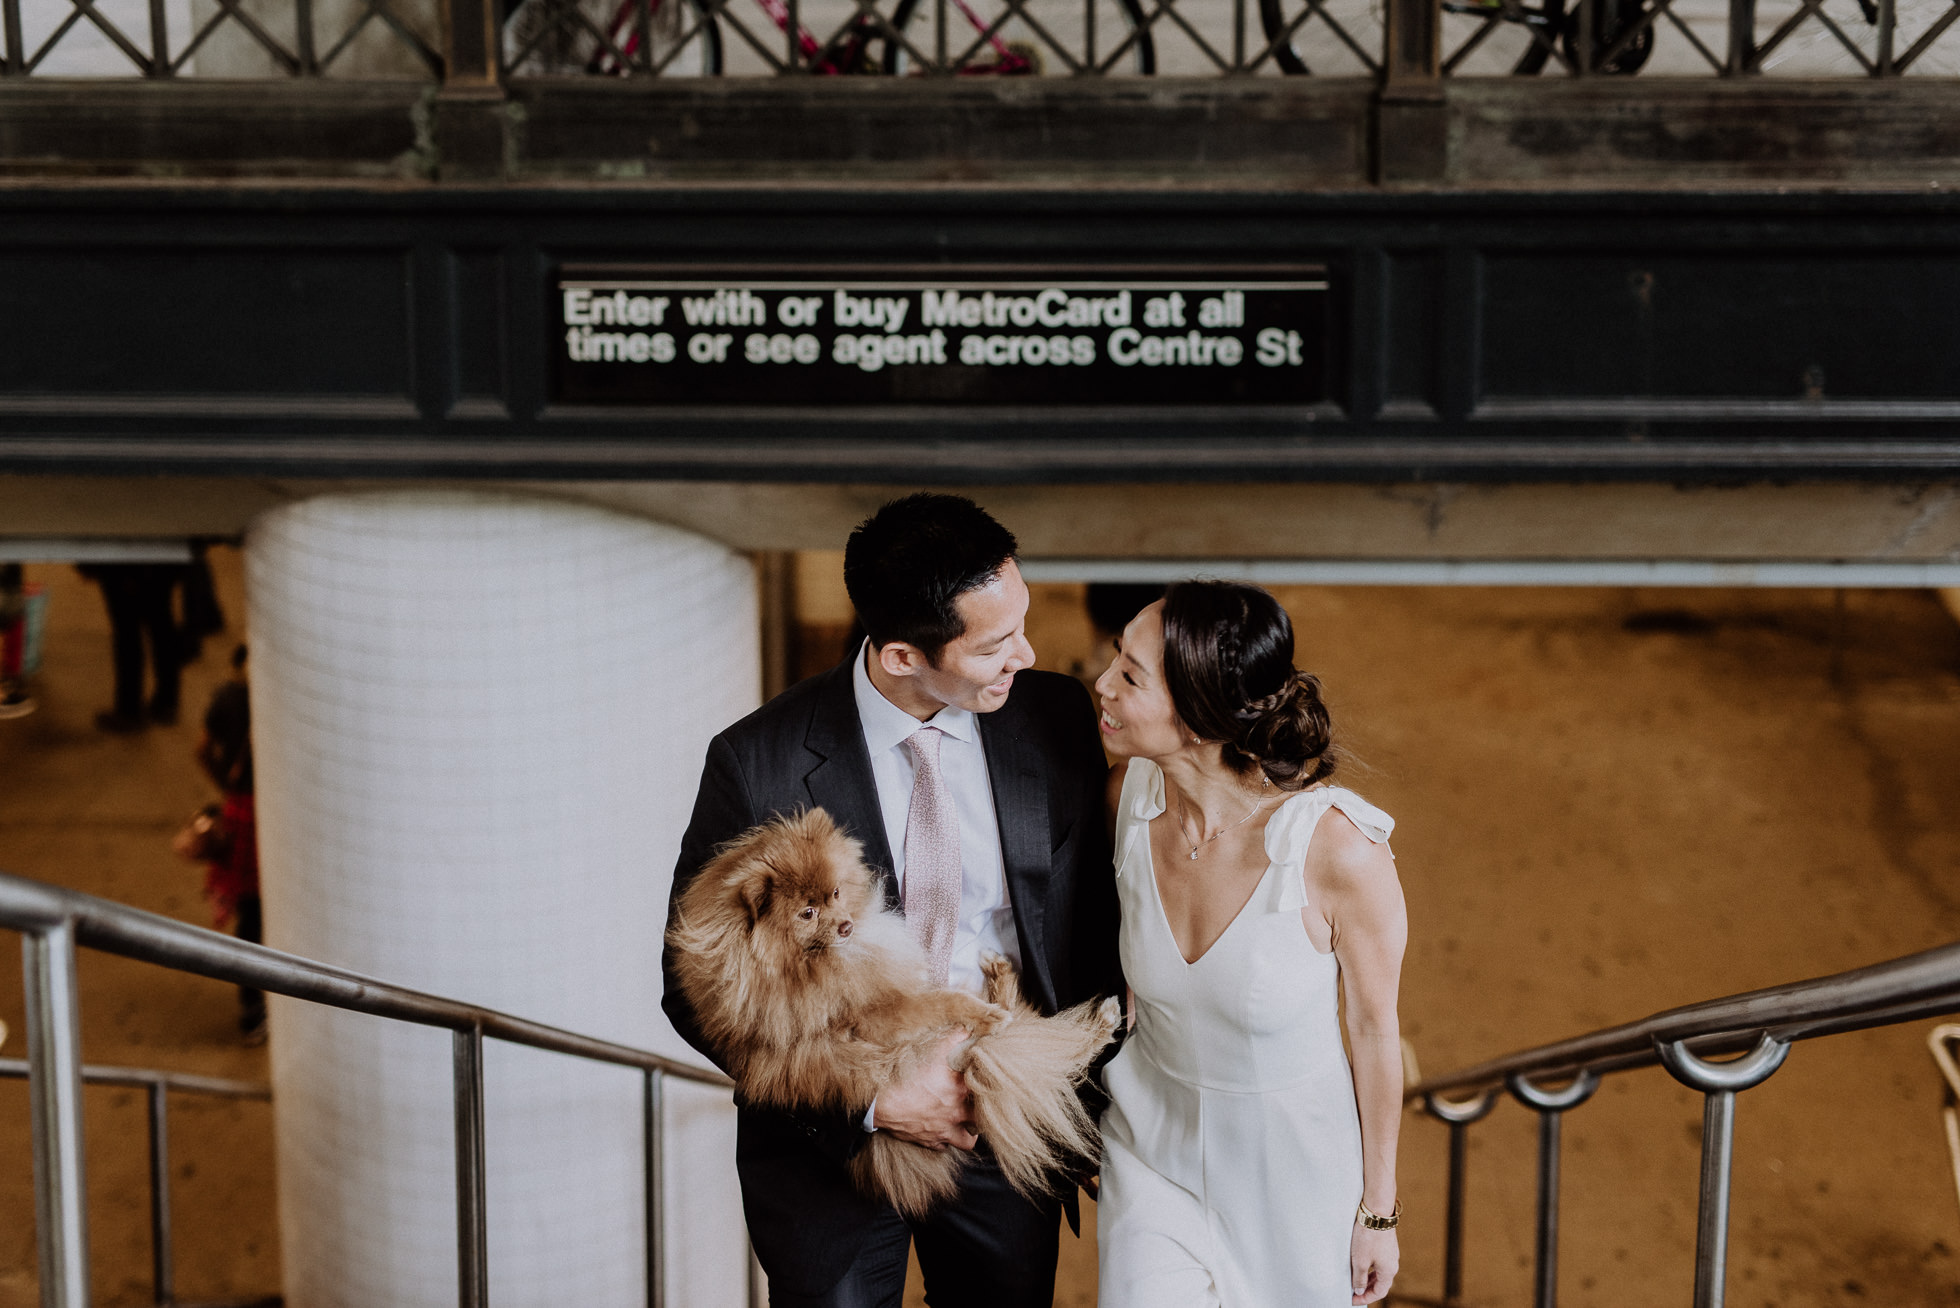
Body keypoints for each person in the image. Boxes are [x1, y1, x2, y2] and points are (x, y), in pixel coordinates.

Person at [663, 493, 1122, 1308]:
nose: (1028, 652)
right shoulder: (757, 763)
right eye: (994, 644)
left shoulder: (1055, 719)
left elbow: (1086, 928)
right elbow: (693, 991)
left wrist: (1086, 1103)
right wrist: (872, 1104)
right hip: (830, 1143)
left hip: (1002, 1120)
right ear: (904, 655)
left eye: (1020, 622)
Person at [1091, 581, 1407, 1307]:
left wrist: (1378, 1211)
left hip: (1293, 1174)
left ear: (1199, 717)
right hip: (1148, 1152)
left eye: (1131, 676)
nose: (1103, 686)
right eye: (1117, 660)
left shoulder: (1337, 851)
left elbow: (1374, 1030)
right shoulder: (1126, 802)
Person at [195, 644, 264, 1043]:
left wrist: (226, 785)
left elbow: (201, 750)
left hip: (239, 811)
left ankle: (250, 1007)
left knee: (248, 913)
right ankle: (261, 1005)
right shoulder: (272, 700)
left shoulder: (225, 698)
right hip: (271, 816)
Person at [77, 562, 186, 732]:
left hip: (124, 559)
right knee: (161, 619)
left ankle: (129, 709)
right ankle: (167, 701)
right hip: (163, 555)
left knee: (127, 627)